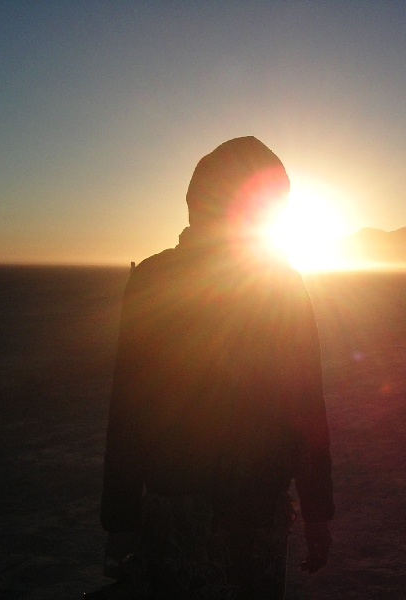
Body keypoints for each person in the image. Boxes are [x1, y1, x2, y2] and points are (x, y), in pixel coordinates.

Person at [97, 137, 334, 599]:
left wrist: (121, 522)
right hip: (239, 513)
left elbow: (128, 410)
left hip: (191, 510)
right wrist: (316, 512)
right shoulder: (281, 285)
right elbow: (307, 407)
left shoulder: (155, 279)